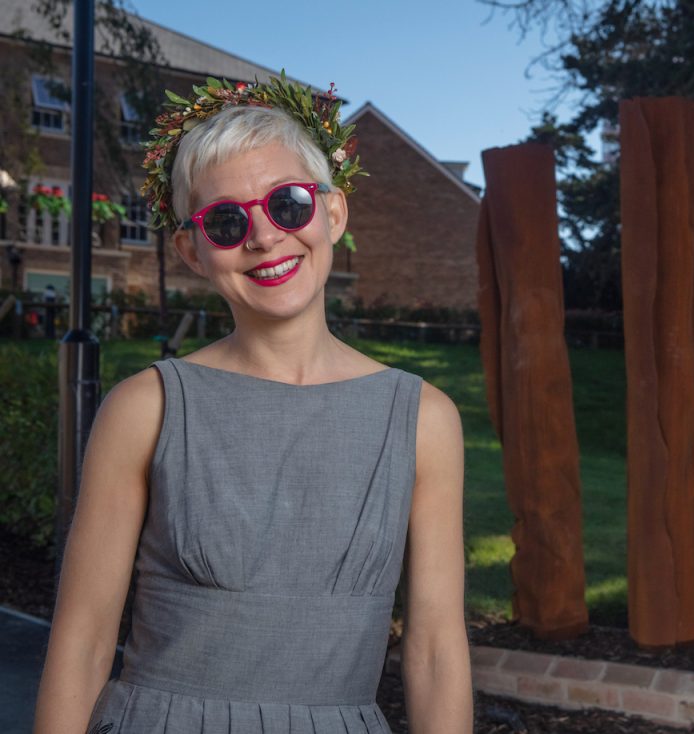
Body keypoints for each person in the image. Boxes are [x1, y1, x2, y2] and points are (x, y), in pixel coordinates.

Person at [33, 75, 473, 733]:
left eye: (289, 203)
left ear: (333, 212)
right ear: (192, 250)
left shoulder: (422, 420)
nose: (266, 238)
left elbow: (436, 650)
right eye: (228, 221)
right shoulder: (145, 408)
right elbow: (83, 643)